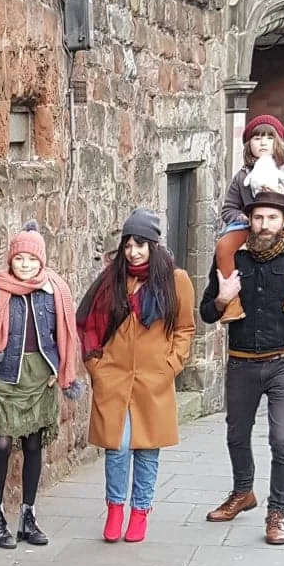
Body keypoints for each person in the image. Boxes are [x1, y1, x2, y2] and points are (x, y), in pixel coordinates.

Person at [200, 187, 284, 545]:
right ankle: (243, 492)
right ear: (249, 220)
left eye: (272, 217)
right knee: (236, 435)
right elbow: (206, 311)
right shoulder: (231, 257)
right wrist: (224, 298)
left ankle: (277, 514)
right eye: (258, 217)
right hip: (242, 362)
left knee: (283, 440)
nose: (265, 224)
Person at [77, 207, 196, 543]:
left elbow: (185, 328)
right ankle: (115, 508)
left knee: (147, 449)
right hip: (113, 376)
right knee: (118, 446)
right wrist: (96, 367)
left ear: (153, 244)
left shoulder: (176, 281)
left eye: (140, 244)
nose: (133, 251)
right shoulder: (112, 279)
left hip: (153, 378)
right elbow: (88, 324)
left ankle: (140, 511)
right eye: (128, 244)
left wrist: (171, 364)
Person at [0, 224, 82, 548]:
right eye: (20, 258)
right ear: (11, 260)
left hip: (39, 377)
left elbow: (63, 334)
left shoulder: (53, 292)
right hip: (5, 375)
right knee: (2, 444)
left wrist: (57, 369)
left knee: (34, 445)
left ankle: (28, 517)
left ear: (41, 260)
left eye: (32, 258)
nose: (26, 264)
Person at [215, 114, 284, 322]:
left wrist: (280, 199)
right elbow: (228, 209)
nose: (262, 142)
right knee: (224, 245)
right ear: (248, 144)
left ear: (277, 142)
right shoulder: (243, 175)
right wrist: (243, 218)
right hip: (252, 226)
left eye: (268, 138)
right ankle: (232, 302)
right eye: (256, 138)